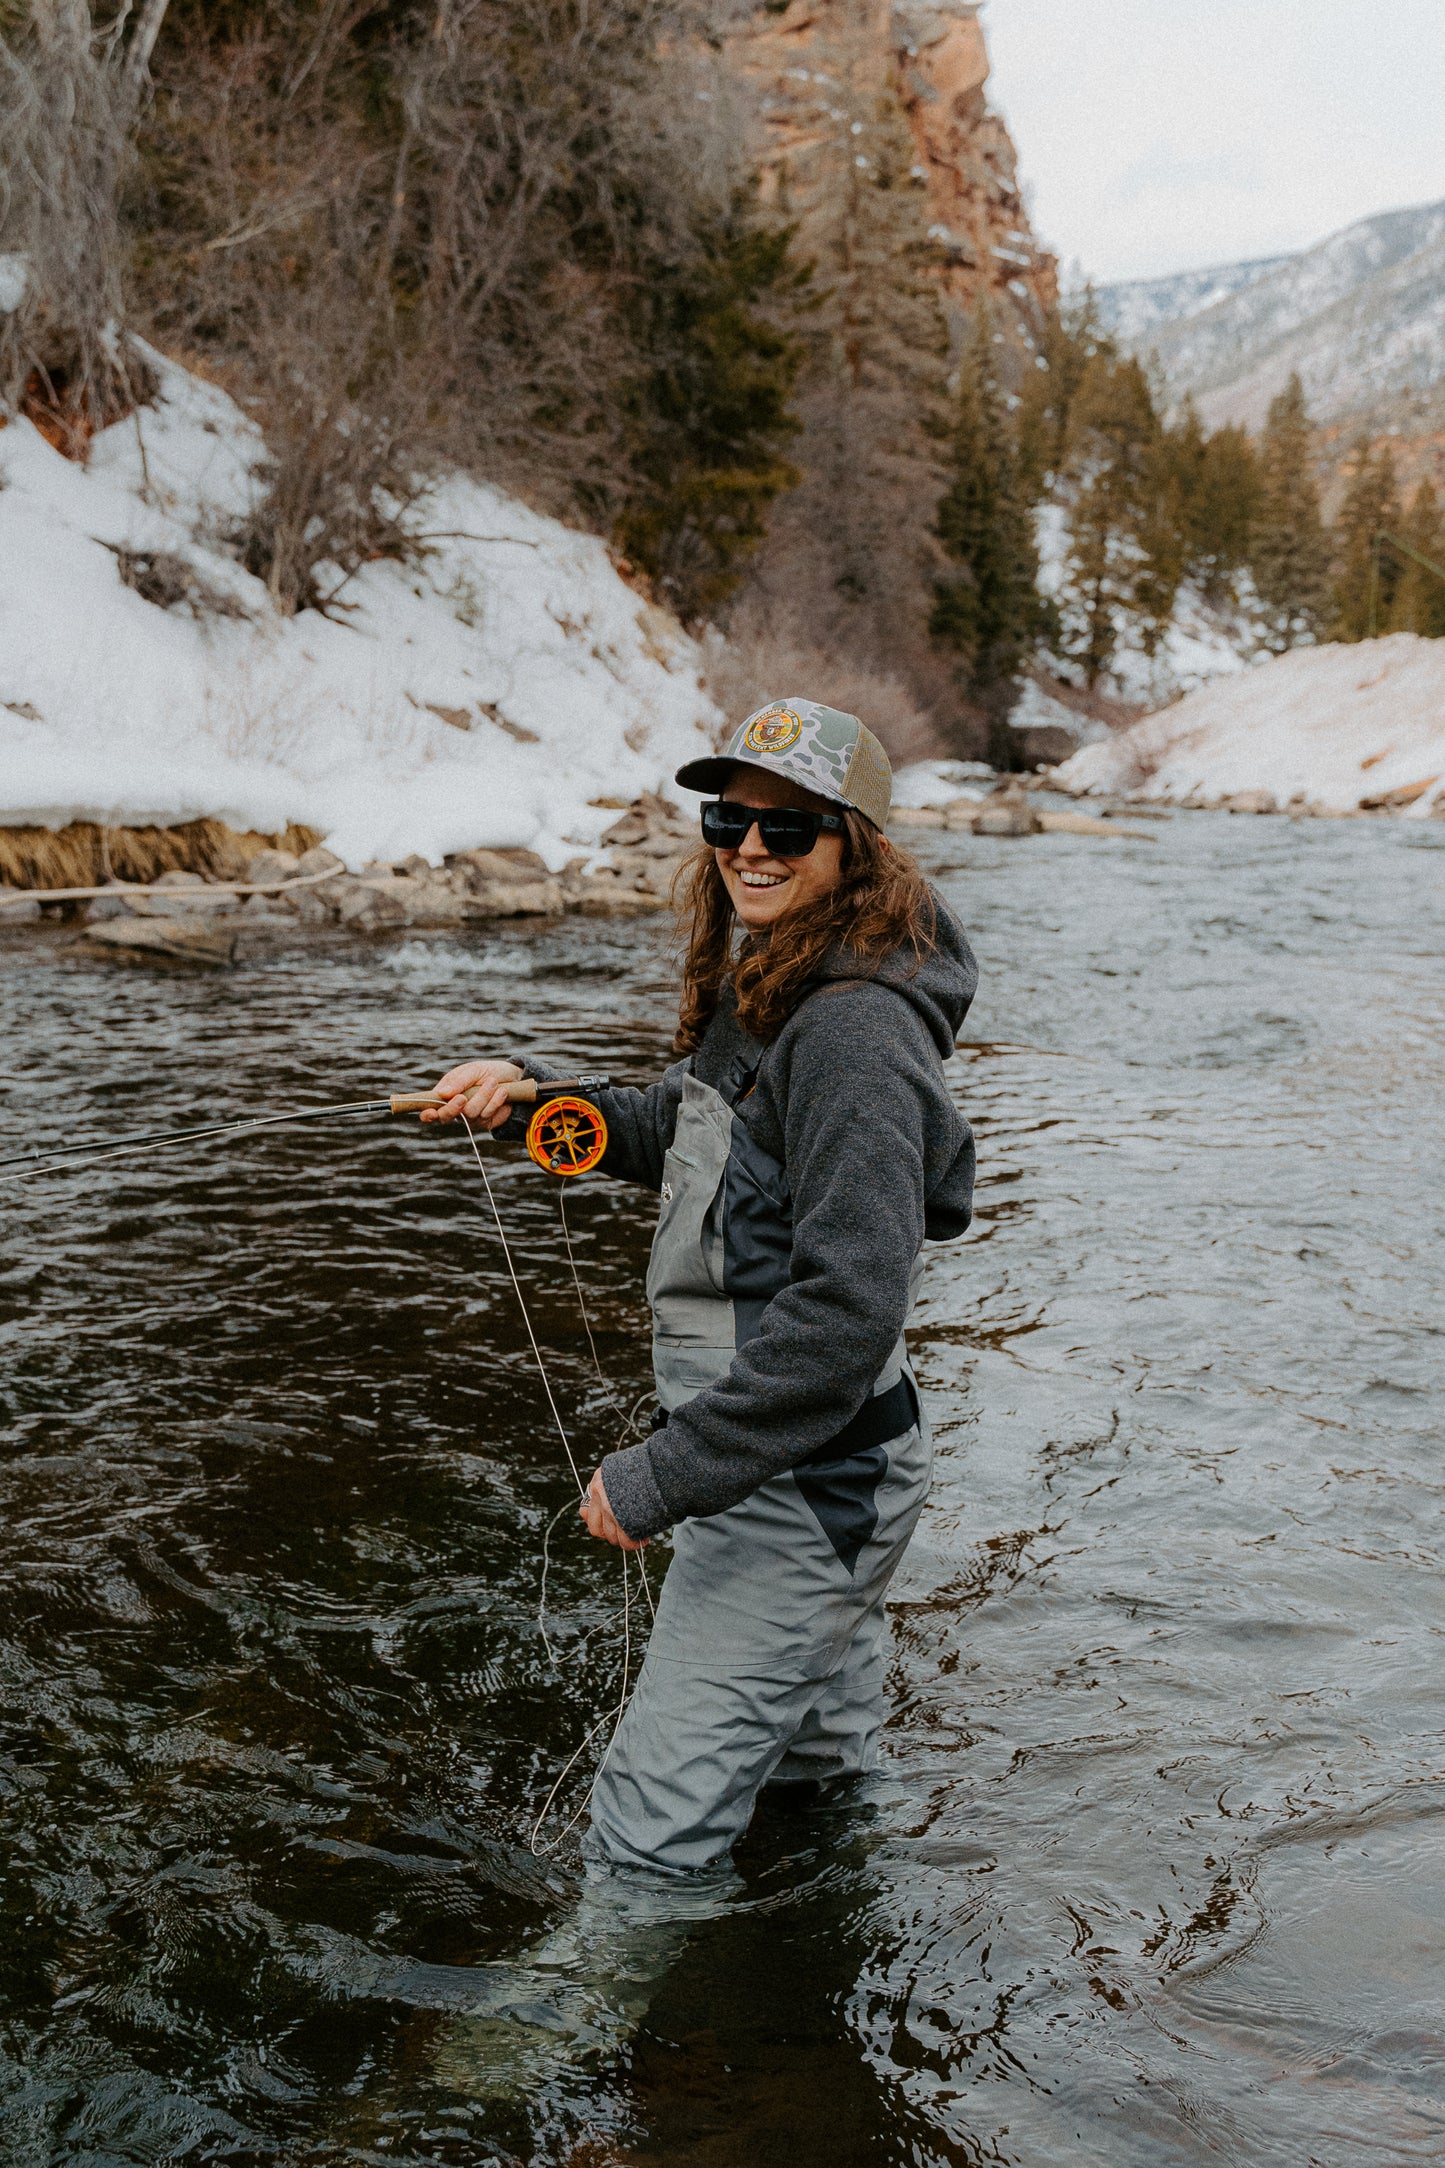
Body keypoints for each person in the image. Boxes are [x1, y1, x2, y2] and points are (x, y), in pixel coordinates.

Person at [423, 697, 977, 1881]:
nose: (749, 848)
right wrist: (529, 1106)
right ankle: (823, 1965)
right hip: (818, 1459)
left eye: (791, 828)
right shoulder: (780, 982)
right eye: (729, 818)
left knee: (645, 1833)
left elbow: (844, 1316)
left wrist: (660, 1474)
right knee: (813, 1775)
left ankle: (556, 2038)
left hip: (798, 1480)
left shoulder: (850, 1034)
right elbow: (677, 1127)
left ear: (854, 848)